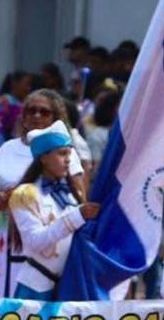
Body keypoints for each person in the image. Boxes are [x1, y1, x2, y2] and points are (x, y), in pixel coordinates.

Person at [0, 90, 86, 297]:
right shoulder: (7, 149)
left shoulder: (66, 153)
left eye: (44, 111)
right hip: (7, 237)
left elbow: (79, 197)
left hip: (49, 243)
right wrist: (0, 198)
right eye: (31, 110)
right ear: (23, 116)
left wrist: (33, 200)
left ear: (55, 116)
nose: (37, 115)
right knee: (2, 300)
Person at [7, 121, 99, 300]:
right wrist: (76, 217)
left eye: (70, 154)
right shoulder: (24, 194)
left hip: (70, 285)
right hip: (36, 287)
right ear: (43, 158)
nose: (68, 159)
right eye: (62, 153)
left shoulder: (73, 193)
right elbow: (35, 241)